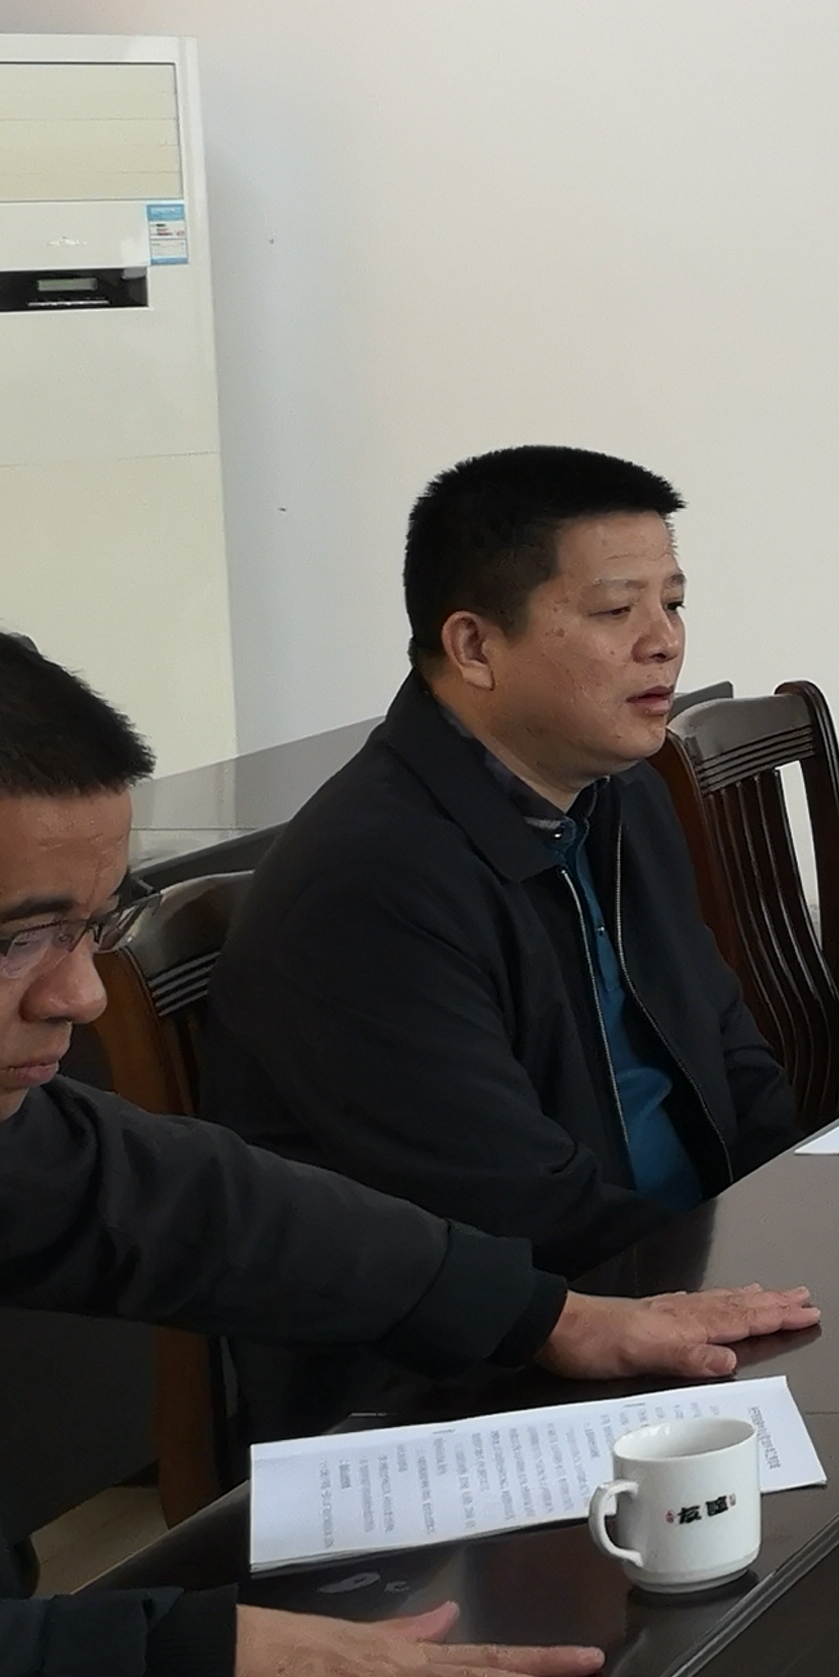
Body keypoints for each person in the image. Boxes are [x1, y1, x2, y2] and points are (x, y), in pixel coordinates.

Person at [0, 602, 812, 1677]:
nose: (80, 995)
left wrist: (540, 1314)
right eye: (22, 939)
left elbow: (174, 1201)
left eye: (92, 927)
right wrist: (196, 1660)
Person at [204, 446, 798, 1287]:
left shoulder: (622, 795)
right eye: (615, 610)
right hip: (521, 1329)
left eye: (672, 603)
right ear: (475, 646)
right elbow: (513, 1206)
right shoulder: (368, 884)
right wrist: (730, 1283)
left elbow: (729, 1050)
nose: (664, 642)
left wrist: (797, 1219)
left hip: (685, 1270)